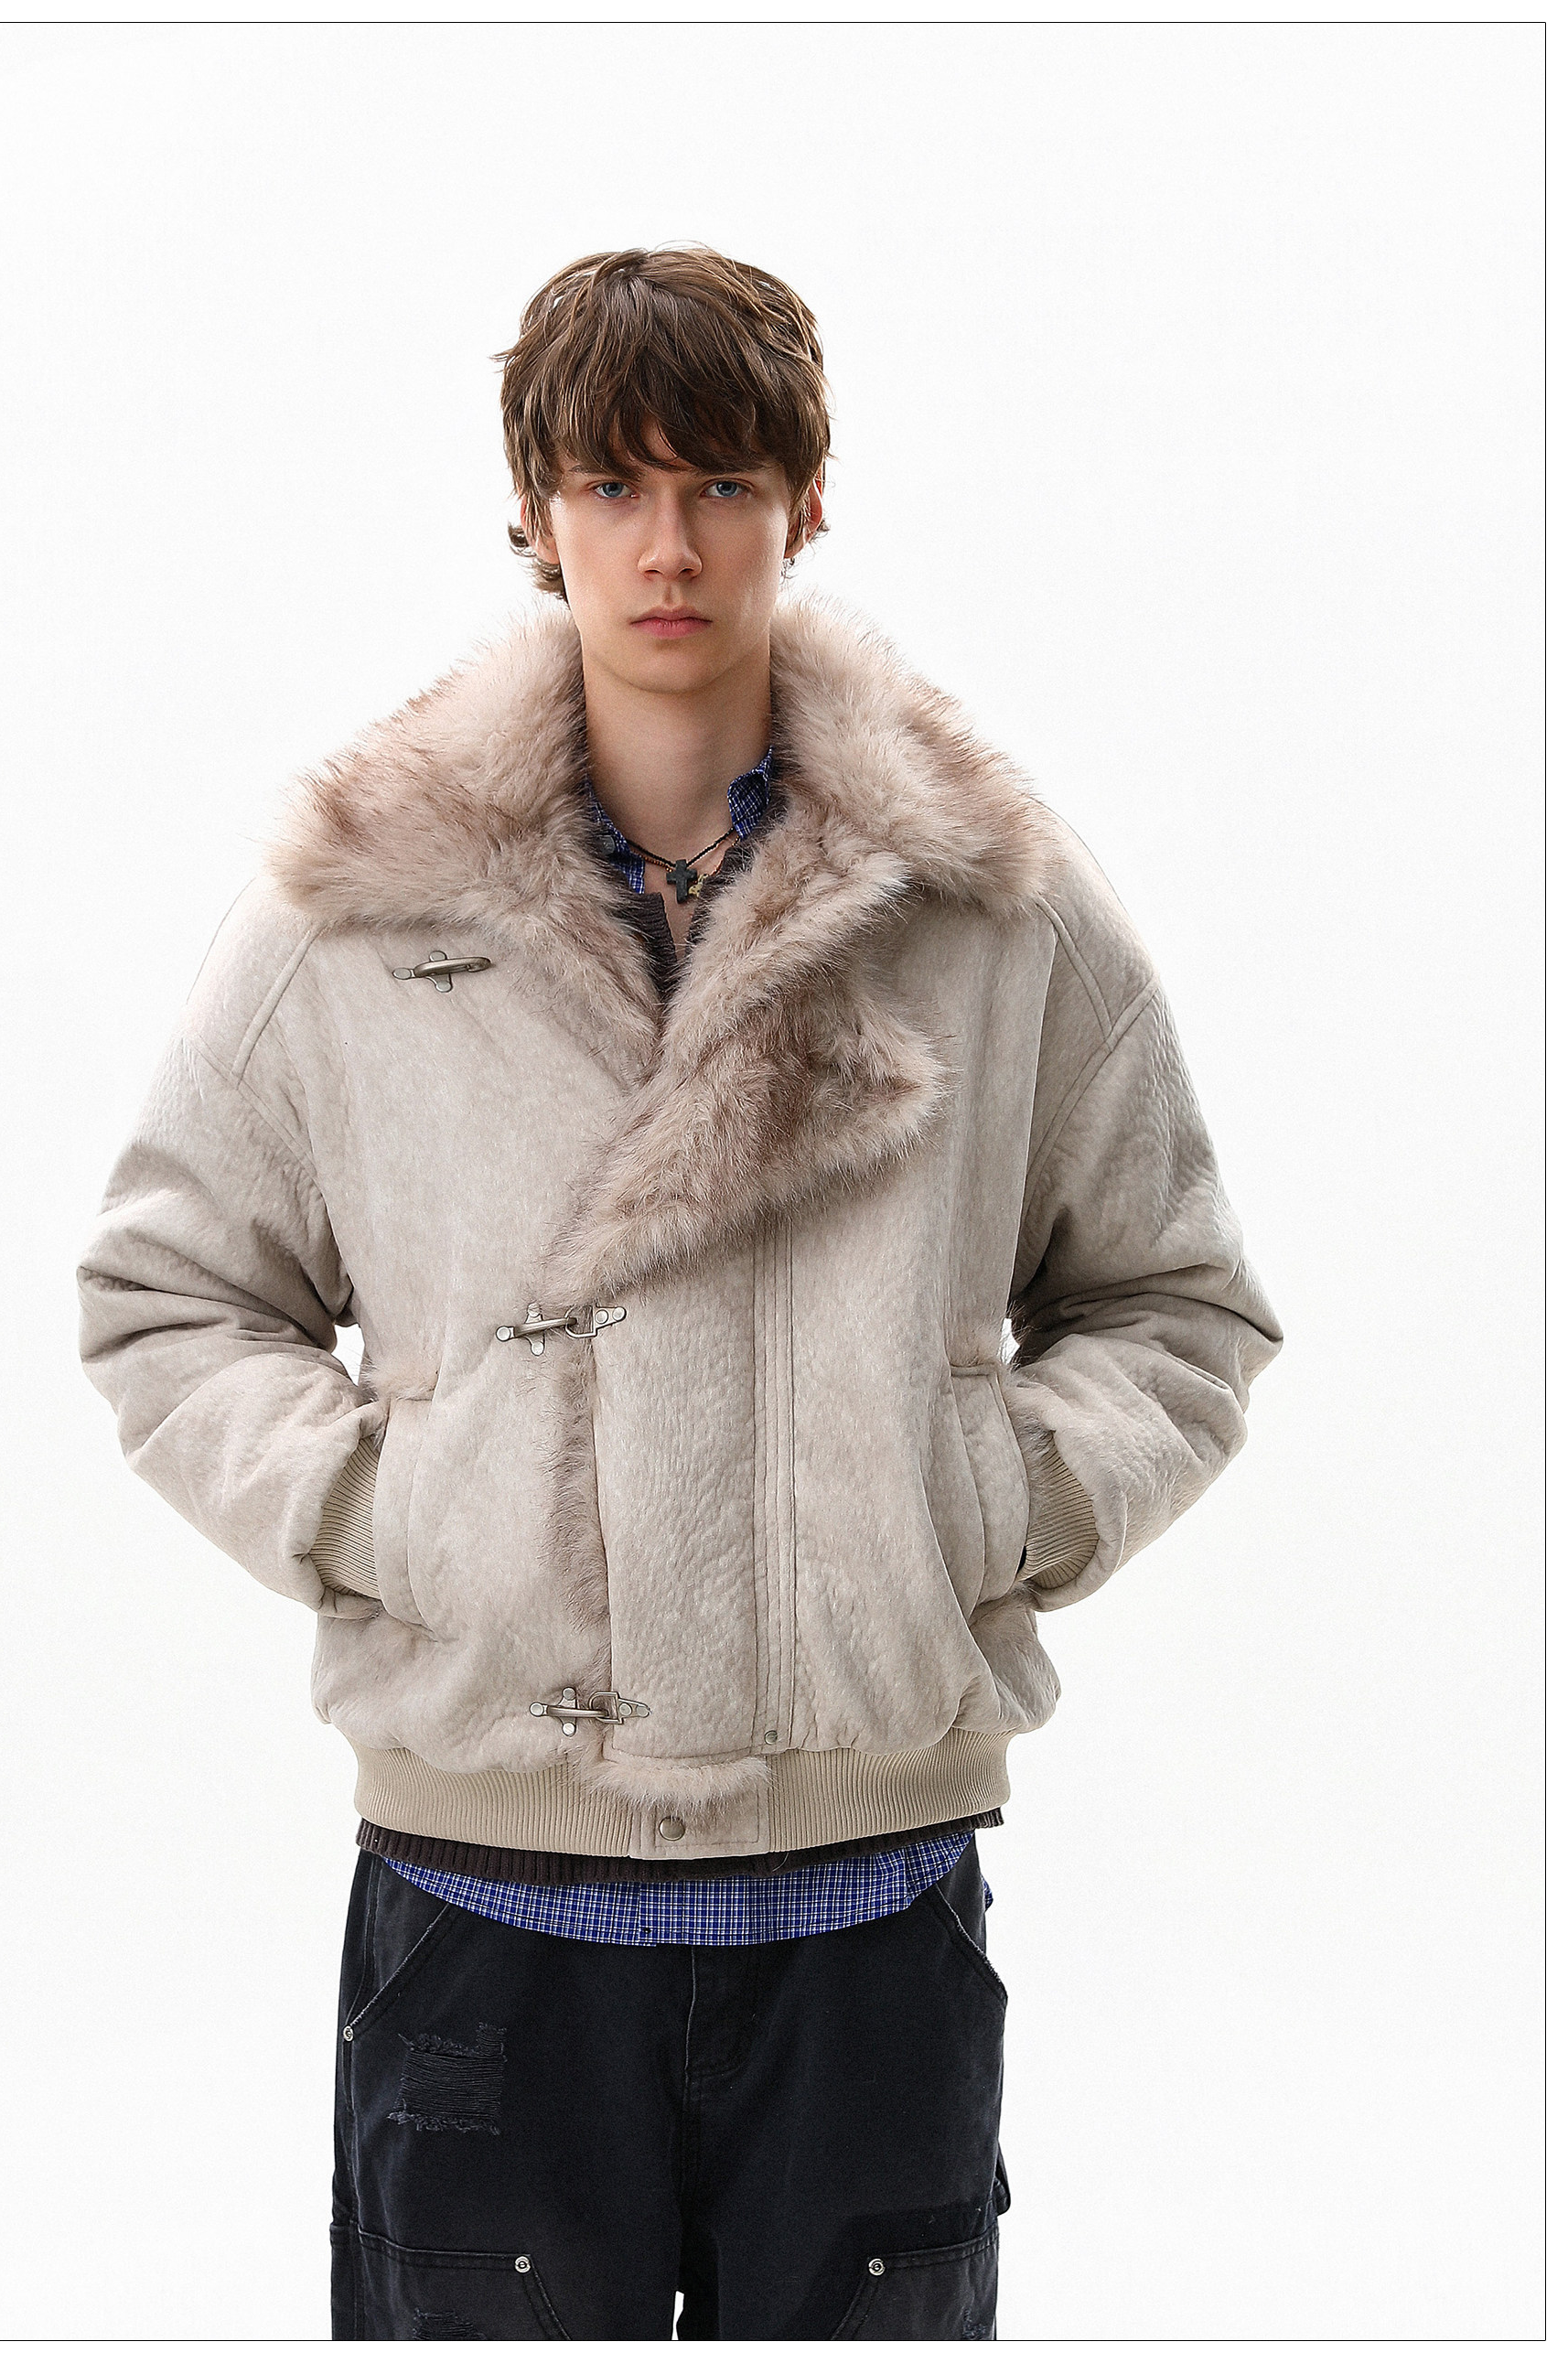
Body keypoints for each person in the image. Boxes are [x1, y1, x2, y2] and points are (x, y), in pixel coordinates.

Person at [76, 243, 1282, 2341]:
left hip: (868, 1906)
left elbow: (1180, 1306)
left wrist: (967, 1500)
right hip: (486, 1907)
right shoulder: (359, 910)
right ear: (531, 512)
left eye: (723, 481)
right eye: (614, 484)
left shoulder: (991, 903)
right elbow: (170, 1296)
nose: (669, 544)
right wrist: (400, 1508)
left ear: (808, 500)